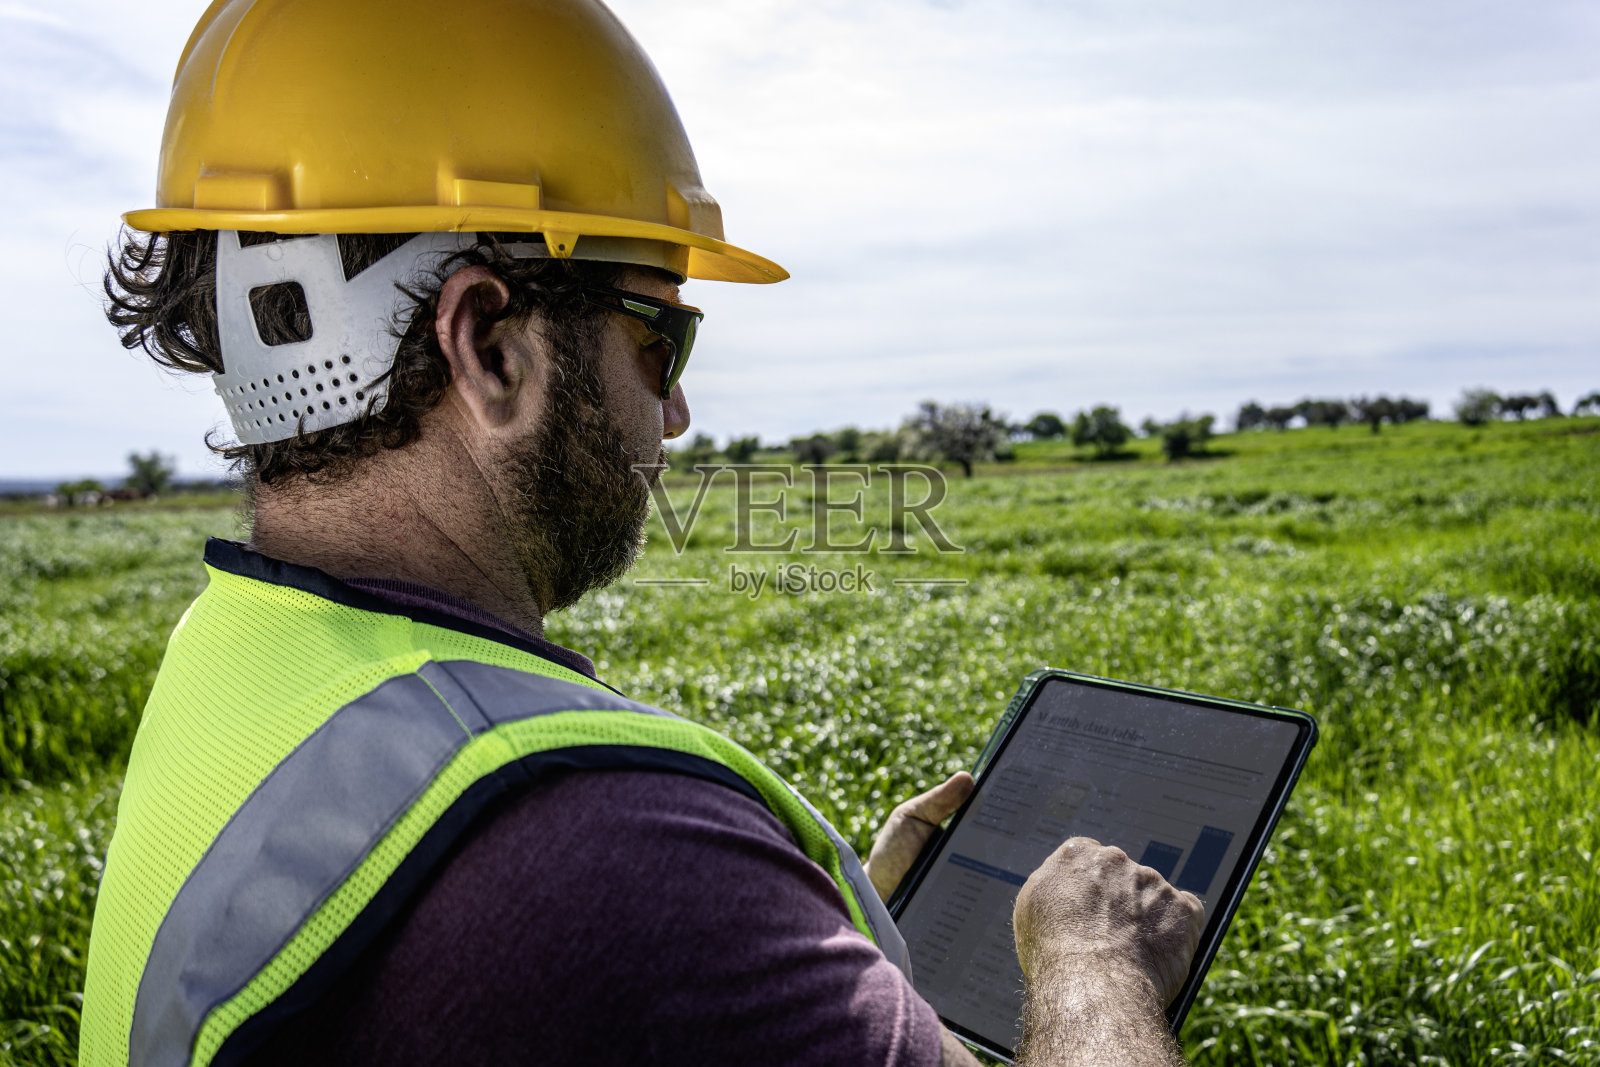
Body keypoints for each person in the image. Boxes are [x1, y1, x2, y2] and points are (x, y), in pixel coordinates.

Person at [80, 1, 1205, 1065]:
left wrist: (793, 942)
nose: (673, 411)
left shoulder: (238, 657)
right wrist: (1092, 963)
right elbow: (598, 924)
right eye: (658, 337)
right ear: (488, 348)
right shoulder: (605, 858)